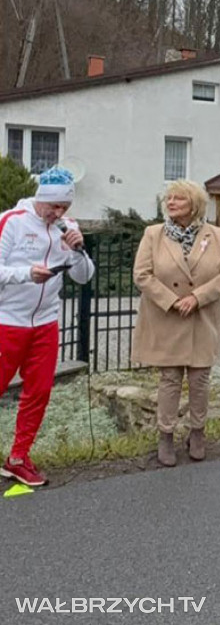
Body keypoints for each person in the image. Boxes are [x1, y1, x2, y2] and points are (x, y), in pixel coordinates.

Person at [0, 167, 95, 486]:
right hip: (7, 321)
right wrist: (27, 273)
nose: (58, 213)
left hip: (45, 322)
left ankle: (17, 458)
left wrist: (78, 251)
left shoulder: (67, 228)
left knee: (38, 392)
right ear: (40, 199)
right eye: (53, 206)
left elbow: (84, 276)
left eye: (65, 207)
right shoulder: (11, 221)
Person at [132, 180, 220, 467]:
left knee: (200, 380)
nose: (171, 202)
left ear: (195, 205)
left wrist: (197, 297)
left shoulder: (219, 236)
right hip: (167, 317)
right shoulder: (153, 234)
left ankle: (197, 433)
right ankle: (165, 435)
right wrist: (172, 300)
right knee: (170, 379)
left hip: (202, 319)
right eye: (169, 198)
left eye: (179, 198)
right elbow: (142, 275)